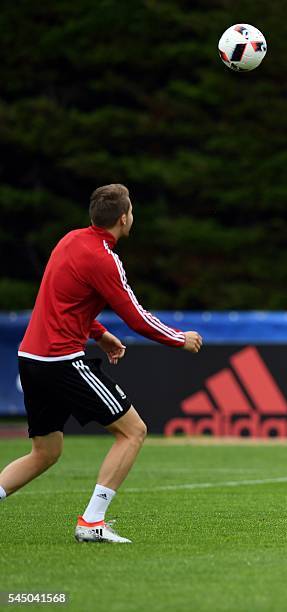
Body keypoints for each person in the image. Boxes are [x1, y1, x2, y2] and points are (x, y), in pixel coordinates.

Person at [0, 184, 203, 543]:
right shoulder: (104, 257)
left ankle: (91, 521)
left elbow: (63, 301)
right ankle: (92, 522)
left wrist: (99, 334)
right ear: (123, 218)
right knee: (133, 431)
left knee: (46, 452)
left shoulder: (70, 240)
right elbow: (137, 317)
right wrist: (179, 338)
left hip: (31, 358)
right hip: (60, 361)